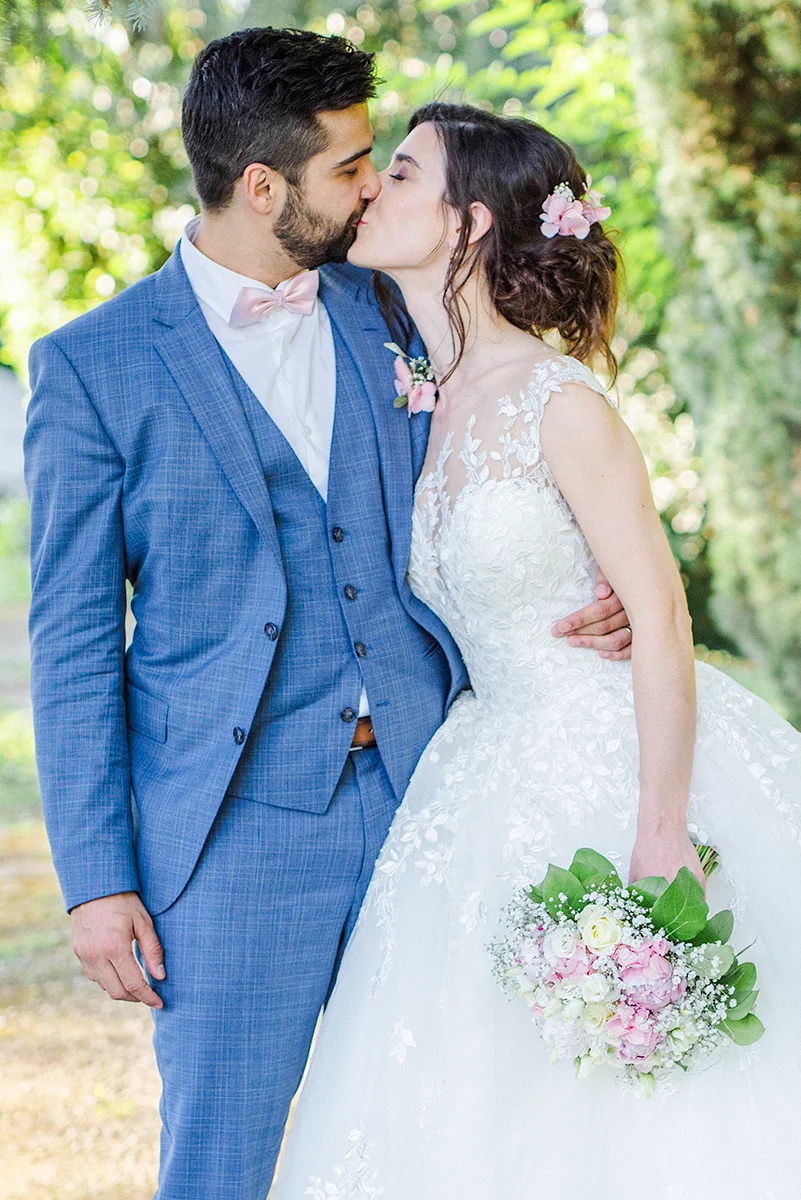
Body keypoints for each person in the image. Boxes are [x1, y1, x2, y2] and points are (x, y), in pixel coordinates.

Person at [22, 33, 631, 1200]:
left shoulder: (396, 306)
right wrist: (98, 880)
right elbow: (76, 642)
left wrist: (589, 589)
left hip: (436, 797)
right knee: (223, 1160)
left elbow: (523, 445)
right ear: (264, 188)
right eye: (354, 165)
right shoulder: (93, 368)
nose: (372, 188)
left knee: (449, 1137)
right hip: (237, 831)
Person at [270, 102, 801, 1200]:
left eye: (401, 173)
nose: (371, 188)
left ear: (467, 225)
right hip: (478, 776)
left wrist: (659, 835)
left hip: (607, 761)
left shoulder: (563, 405)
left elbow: (657, 615)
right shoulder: (422, 397)